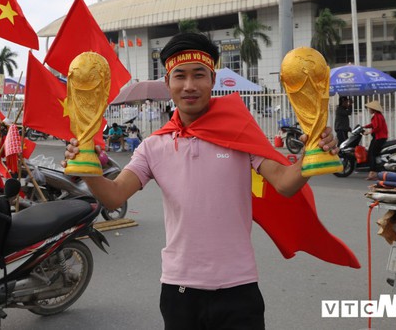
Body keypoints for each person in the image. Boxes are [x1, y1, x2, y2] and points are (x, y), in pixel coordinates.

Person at [63, 32, 340, 330]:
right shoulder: (154, 146)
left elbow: (285, 183)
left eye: (199, 75)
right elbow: (115, 196)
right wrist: (88, 164)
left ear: (214, 79)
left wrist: (313, 152)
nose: (190, 86)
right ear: (168, 83)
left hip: (239, 286)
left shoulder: (239, 133)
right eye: (180, 76)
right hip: (179, 289)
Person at [363, 100, 388, 180]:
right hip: (378, 137)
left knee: (372, 154)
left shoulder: (377, 116)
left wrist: (368, 132)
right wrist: (364, 126)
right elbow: (373, 125)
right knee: (371, 153)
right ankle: (377, 170)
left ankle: (373, 172)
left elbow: (377, 127)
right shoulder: (377, 115)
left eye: (369, 109)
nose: (369, 110)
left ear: (373, 109)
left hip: (380, 137)